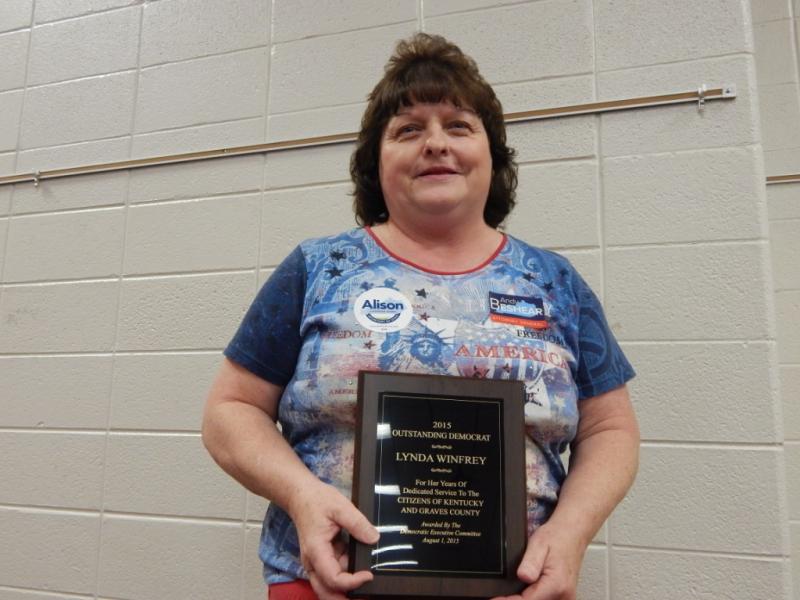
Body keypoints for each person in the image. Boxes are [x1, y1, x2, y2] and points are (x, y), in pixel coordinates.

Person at [202, 33, 639, 600]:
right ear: (375, 163)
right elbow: (230, 411)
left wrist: (571, 533)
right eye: (408, 130)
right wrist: (301, 496)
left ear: (493, 155)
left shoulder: (554, 281)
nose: (436, 144)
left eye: (459, 126)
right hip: (329, 585)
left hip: (516, 590)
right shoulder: (318, 269)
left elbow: (610, 429)